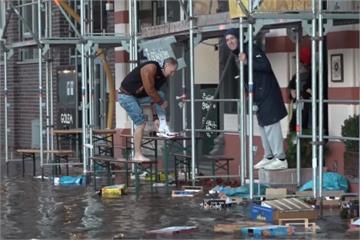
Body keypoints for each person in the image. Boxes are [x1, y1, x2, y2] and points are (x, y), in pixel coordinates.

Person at [225, 28, 288, 170]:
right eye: (227, 40)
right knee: (262, 125)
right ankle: (269, 156)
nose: (230, 42)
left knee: (271, 124)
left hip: (267, 93)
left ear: (239, 38)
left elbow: (265, 66)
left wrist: (246, 61)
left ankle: (281, 158)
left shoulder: (251, 49)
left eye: (232, 38)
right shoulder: (238, 54)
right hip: (258, 96)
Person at [118, 58, 178, 161]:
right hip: (126, 96)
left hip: (136, 96)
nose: (172, 75)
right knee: (141, 124)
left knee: (160, 94)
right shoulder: (151, 67)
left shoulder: (162, 78)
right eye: (172, 71)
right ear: (166, 65)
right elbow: (149, 89)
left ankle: (162, 125)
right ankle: (137, 155)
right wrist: (161, 102)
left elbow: (153, 97)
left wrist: (155, 117)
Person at [288, 47, 312, 132]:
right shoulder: (296, 76)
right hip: (297, 106)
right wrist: (291, 92)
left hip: (306, 107)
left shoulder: (310, 76)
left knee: (303, 124)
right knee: (296, 124)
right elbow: (291, 91)